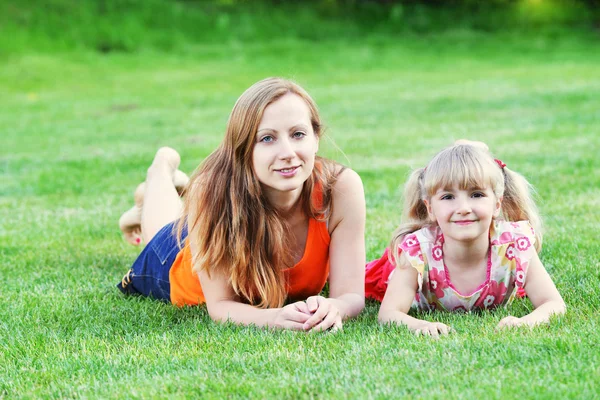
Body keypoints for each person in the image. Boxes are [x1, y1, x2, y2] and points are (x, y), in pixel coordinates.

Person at [117, 77, 366, 332]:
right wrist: (276, 319)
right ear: (243, 148)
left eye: (298, 134)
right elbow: (222, 305)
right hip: (179, 258)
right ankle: (161, 170)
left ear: (315, 138)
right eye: (267, 138)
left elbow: (351, 295)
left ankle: (163, 192)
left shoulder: (340, 189)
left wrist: (336, 307)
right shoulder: (211, 194)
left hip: (207, 218)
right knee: (163, 231)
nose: (288, 152)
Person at [365, 143, 565, 337]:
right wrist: (421, 325)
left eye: (476, 194)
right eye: (448, 197)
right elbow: (389, 314)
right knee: (374, 277)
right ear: (430, 208)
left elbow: (553, 303)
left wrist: (526, 323)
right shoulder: (417, 252)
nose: (463, 208)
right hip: (395, 271)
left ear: (497, 204)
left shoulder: (514, 244)